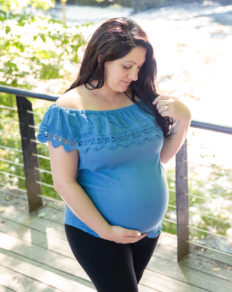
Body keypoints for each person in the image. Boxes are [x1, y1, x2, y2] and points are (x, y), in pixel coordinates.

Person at [37, 17, 191, 292]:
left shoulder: (141, 98)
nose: (133, 75)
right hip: (96, 233)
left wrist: (185, 120)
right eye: (127, 66)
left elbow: (161, 157)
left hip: (147, 232)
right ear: (102, 59)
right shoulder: (69, 110)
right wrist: (107, 231)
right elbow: (63, 182)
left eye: (139, 67)